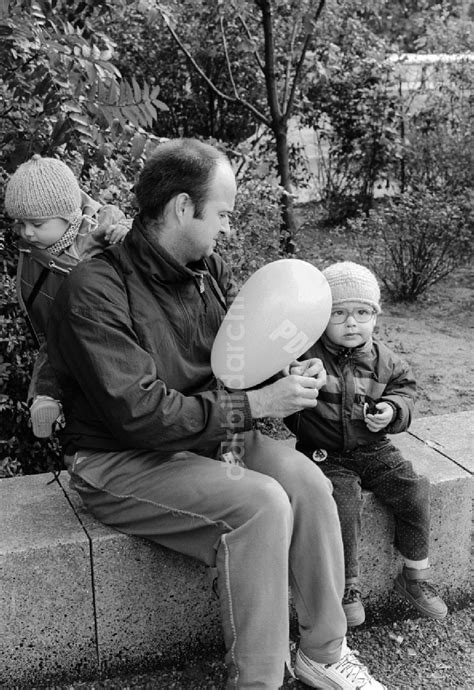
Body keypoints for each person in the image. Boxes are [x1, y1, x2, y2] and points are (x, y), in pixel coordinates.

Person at [46, 139, 385, 689]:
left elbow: (237, 364)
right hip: (121, 459)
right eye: (222, 213)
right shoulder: (95, 289)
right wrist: (256, 405)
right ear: (183, 207)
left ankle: (323, 651)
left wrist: (287, 375)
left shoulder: (208, 270)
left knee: (308, 483)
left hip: (210, 435)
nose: (228, 227)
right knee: (261, 503)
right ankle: (257, 680)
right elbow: (140, 416)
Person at [286, 261, 447, 628]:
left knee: (414, 490)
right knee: (340, 502)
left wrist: (391, 411)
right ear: (320, 316)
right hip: (323, 452)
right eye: (338, 313)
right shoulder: (305, 355)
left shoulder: (385, 360)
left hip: (374, 448)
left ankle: (414, 574)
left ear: (375, 315)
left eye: (362, 312)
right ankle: (347, 587)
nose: (351, 323)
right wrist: (294, 387)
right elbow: (282, 397)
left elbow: (405, 392)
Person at [4, 154, 131, 438]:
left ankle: (49, 398)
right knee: (57, 348)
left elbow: (141, 248)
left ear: (68, 216)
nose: (27, 232)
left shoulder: (102, 232)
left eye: (37, 224)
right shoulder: (30, 244)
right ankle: (47, 401)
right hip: (62, 329)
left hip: (104, 327)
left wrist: (128, 234)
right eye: (21, 223)